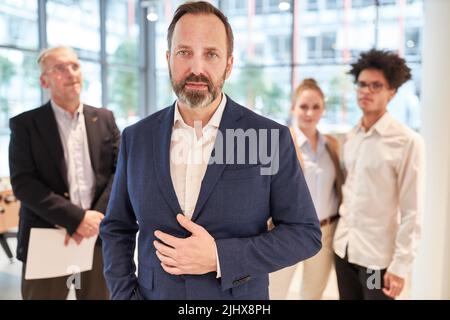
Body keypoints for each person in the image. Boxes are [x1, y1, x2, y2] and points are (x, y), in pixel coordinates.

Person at [100, 1, 321, 300]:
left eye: (211, 54)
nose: (196, 68)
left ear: (229, 64)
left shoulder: (268, 137)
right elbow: (116, 227)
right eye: (184, 52)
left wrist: (219, 256)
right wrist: (124, 295)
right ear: (168, 59)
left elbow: (304, 234)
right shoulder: (136, 138)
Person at [9, 46, 120, 299]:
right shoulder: (25, 125)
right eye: (59, 68)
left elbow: (120, 172)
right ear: (43, 81)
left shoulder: (105, 119)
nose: (70, 73)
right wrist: (77, 218)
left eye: (74, 66)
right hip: (47, 238)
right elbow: (24, 183)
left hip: (97, 238)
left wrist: (94, 218)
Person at [333, 49, 424, 300]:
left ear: (391, 92)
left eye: (376, 86)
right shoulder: (351, 137)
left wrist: (400, 267)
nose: (366, 91)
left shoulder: (406, 142)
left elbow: (412, 211)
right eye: (362, 84)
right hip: (343, 250)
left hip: (375, 261)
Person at [290, 79, 344, 299]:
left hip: (325, 232)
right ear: (293, 108)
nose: (309, 113)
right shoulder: (282, 142)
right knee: (271, 291)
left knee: (313, 293)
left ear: (323, 110)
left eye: (316, 107)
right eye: (303, 106)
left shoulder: (332, 144)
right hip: (288, 231)